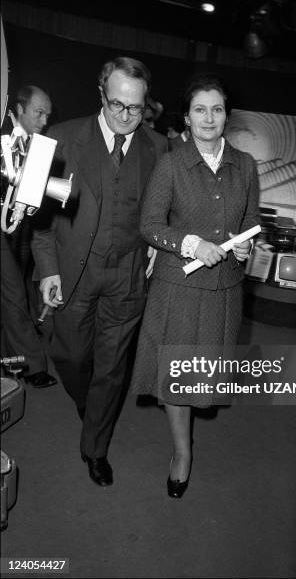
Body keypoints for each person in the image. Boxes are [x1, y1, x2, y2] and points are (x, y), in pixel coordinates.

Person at [31, 57, 168, 487]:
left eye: (136, 108)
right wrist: (48, 268)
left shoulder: (160, 148)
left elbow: (169, 212)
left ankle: (95, 447)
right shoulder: (61, 139)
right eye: (117, 105)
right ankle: (87, 402)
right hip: (75, 271)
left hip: (128, 276)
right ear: (101, 94)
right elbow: (40, 217)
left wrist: (161, 250)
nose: (127, 117)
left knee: (111, 368)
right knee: (70, 358)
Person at [132, 73, 260, 498]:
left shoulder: (246, 165)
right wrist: (191, 243)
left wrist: (245, 248)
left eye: (217, 109)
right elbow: (149, 225)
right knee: (176, 380)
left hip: (225, 289)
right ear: (186, 118)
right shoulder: (171, 164)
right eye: (200, 109)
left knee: (201, 379)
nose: (209, 117)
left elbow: (248, 226)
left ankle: (186, 444)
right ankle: (182, 452)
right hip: (177, 290)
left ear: (227, 115)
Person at [1, 85, 56, 388]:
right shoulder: (4, 141)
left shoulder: (38, 146)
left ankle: (13, 364)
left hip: (19, 233)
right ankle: (32, 366)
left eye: (47, 113)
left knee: (13, 295)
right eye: (39, 112)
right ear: (19, 109)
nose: (44, 119)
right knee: (15, 296)